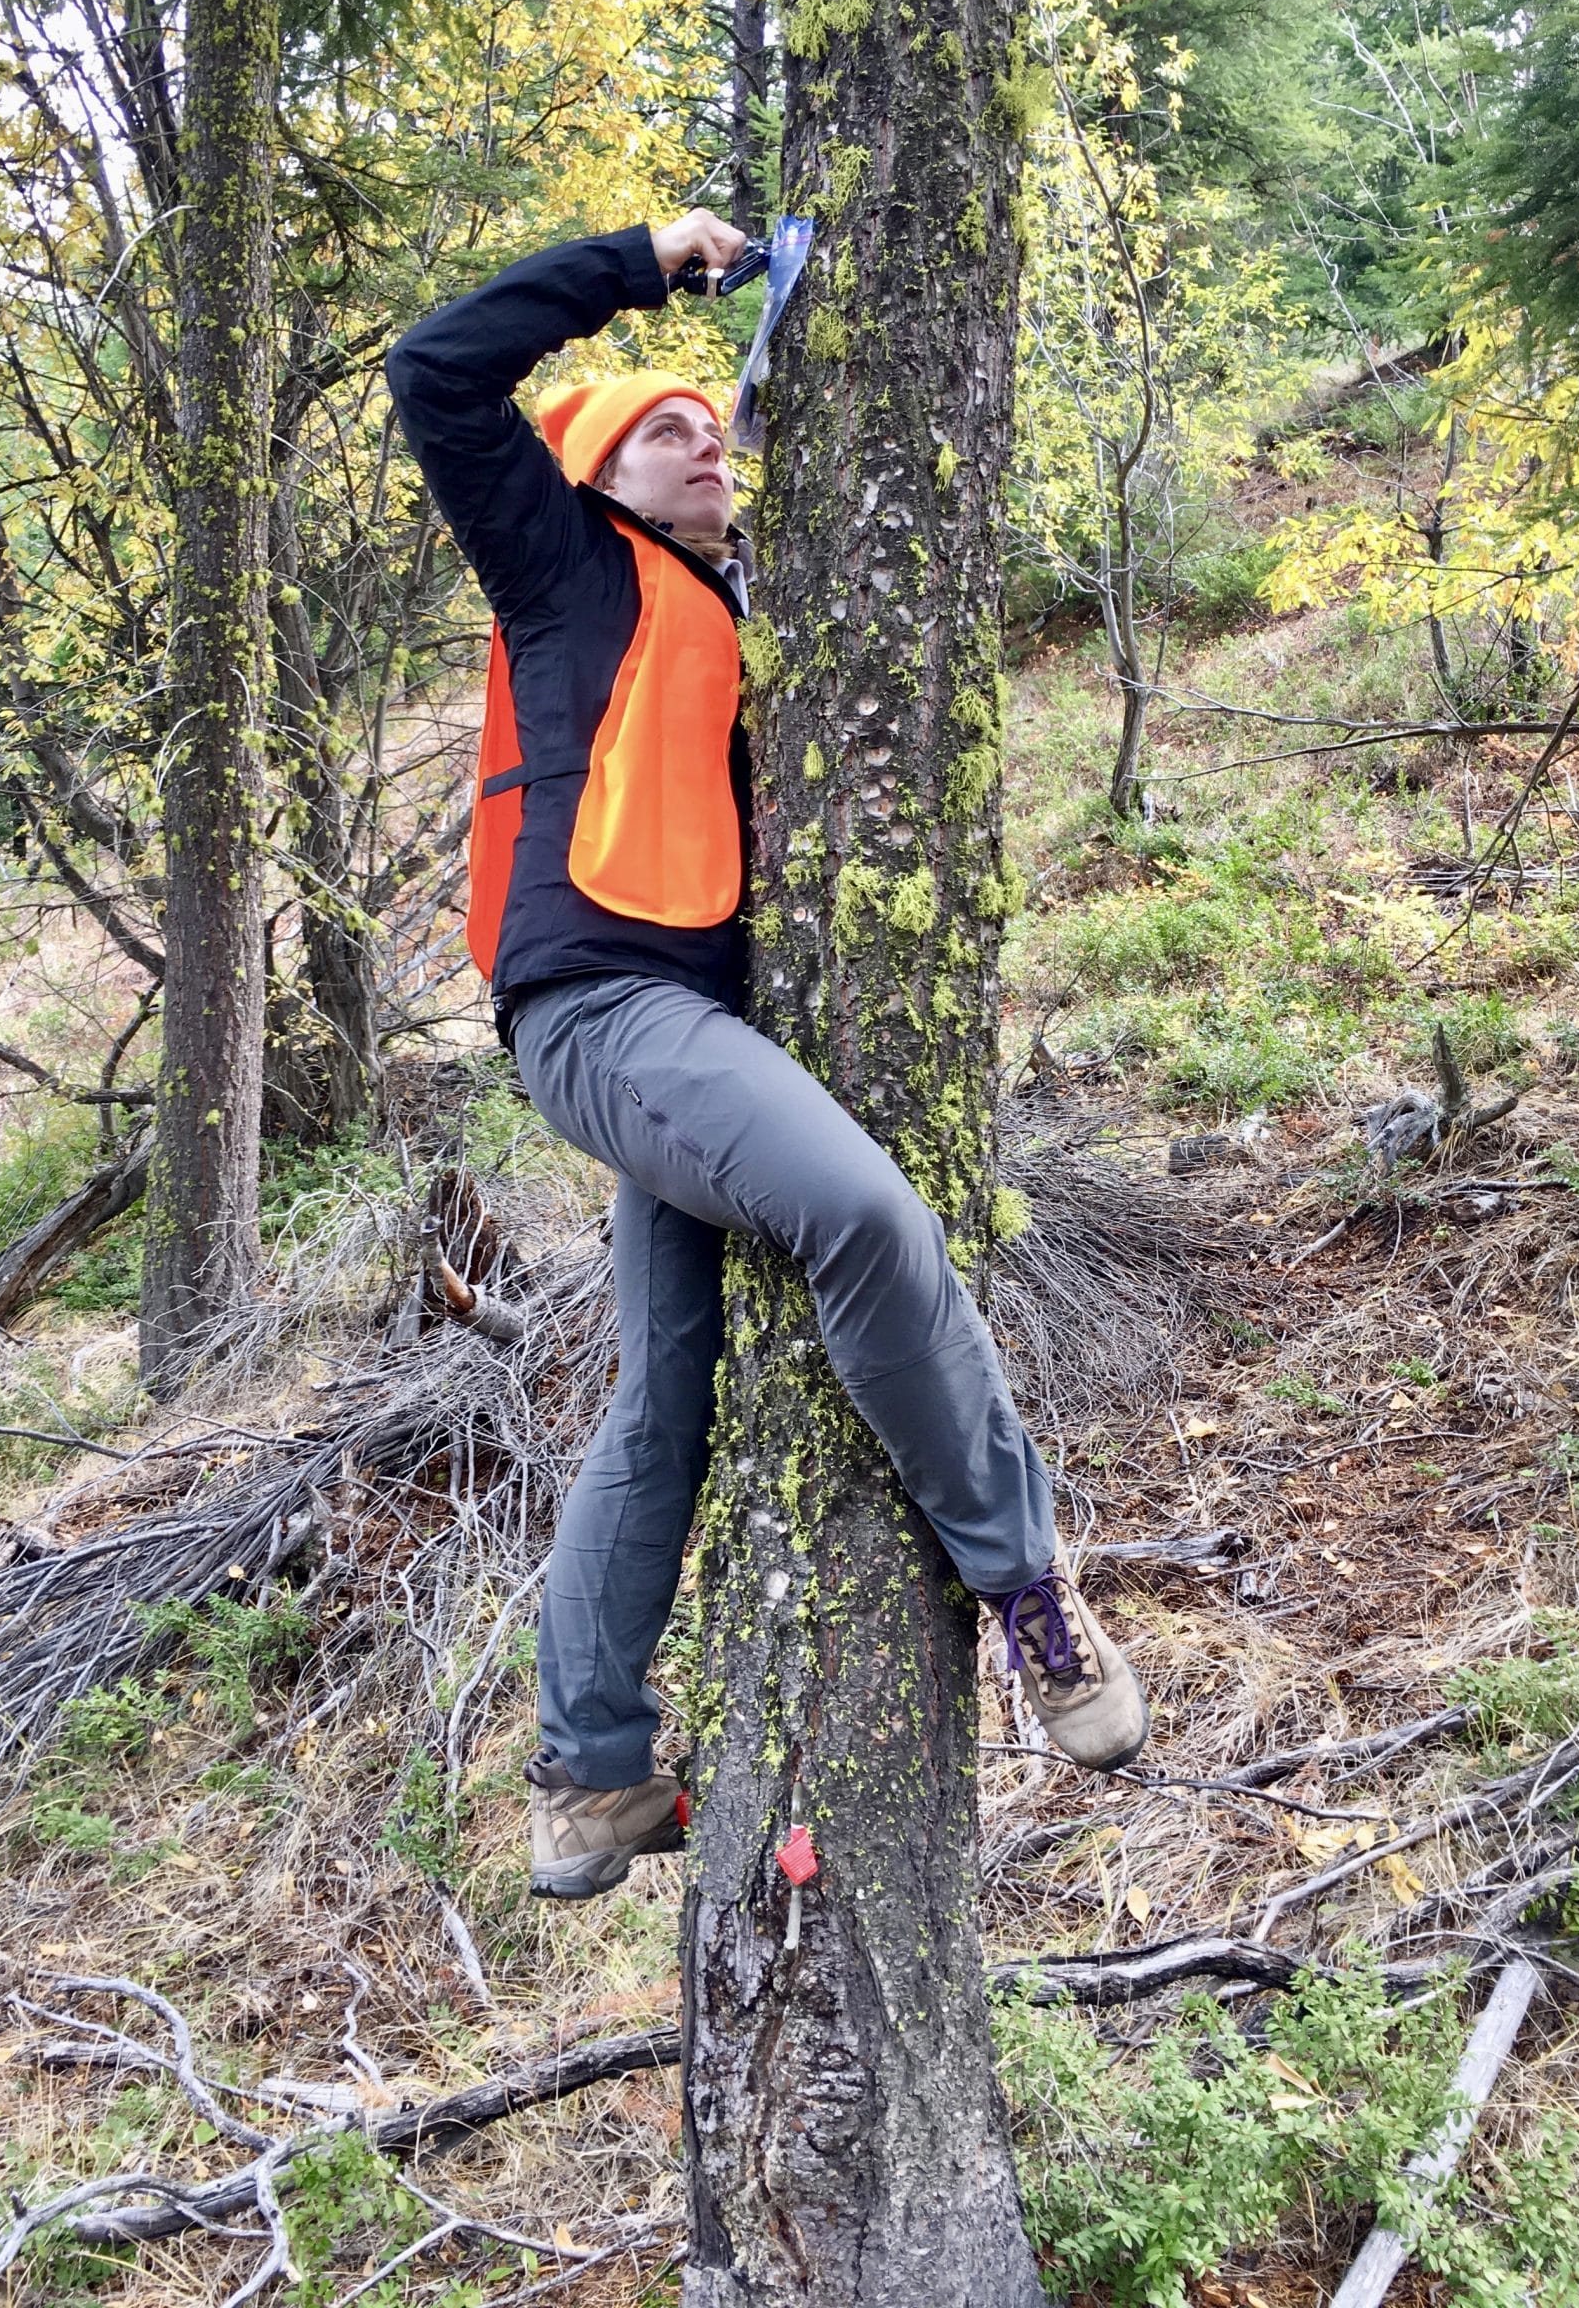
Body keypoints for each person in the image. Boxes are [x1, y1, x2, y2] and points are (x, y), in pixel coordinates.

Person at [385, 210, 1148, 1902]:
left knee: (665, 1397)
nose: (701, 441)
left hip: (693, 1036)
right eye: (662, 430)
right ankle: (1029, 1597)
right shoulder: (561, 562)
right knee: (865, 1219)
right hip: (603, 1011)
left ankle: (588, 1777)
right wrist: (642, 258)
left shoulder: (741, 608)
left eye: (712, 425)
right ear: (592, 473)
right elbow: (434, 371)